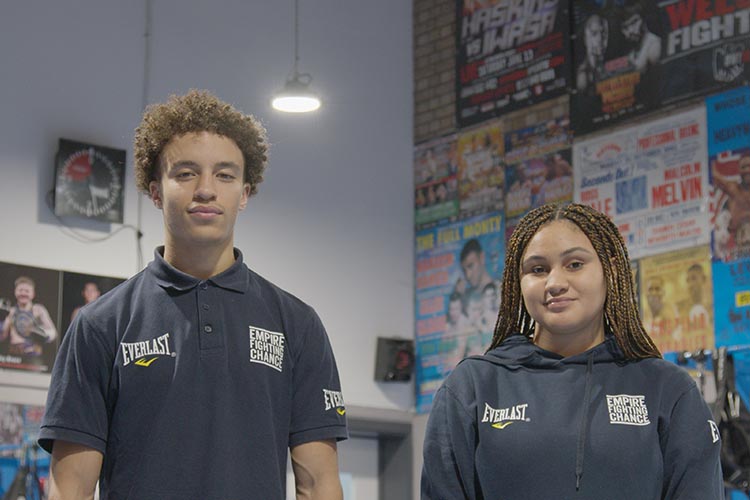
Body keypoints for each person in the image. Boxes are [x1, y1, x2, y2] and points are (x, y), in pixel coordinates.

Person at [39, 90, 348, 499]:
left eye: (225, 175)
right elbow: (70, 491)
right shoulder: (100, 326)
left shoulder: (298, 324)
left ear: (244, 194)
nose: (206, 189)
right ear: (154, 191)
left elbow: (320, 485)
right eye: (185, 173)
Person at [422, 202, 723, 499]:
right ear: (519, 282)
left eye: (574, 264)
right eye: (537, 269)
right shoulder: (472, 387)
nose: (555, 283)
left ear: (611, 271)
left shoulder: (667, 390)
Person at [0, 276, 57, 357]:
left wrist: (45, 334)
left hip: (34, 352)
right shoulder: (11, 311)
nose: (23, 293)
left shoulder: (39, 310)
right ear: (15, 292)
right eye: (20, 290)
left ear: (33, 294)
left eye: (27, 291)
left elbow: (53, 332)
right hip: (15, 353)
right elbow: (2, 337)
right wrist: (2, 322)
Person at [713, 153, 750, 245]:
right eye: (743, 167)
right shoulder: (733, 189)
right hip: (735, 245)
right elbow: (714, 175)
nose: (747, 170)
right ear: (739, 171)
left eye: (749, 166)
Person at [621, 2, 661, 74]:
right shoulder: (631, 50)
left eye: (634, 22)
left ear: (643, 20)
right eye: (625, 27)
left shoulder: (653, 45)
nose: (631, 30)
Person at [576, 14, 609, 93]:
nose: (600, 39)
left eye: (603, 33)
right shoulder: (583, 76)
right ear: (585, 39)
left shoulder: (609, 64)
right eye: (594, 34)